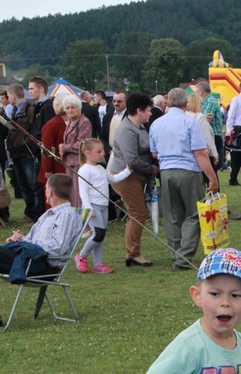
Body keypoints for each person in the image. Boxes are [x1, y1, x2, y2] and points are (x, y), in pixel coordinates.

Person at [0, 173, 82, 328]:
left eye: (45, 188)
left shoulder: (66, 216)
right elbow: (33, 240)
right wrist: (21, 239)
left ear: (50, 192)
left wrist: (28, 245)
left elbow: (57, 249)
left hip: (39, 265)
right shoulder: (48, 215)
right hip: (29, 258)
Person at [150, 88, 220, 270]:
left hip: (165, 172)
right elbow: (200, 154)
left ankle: (175, 253)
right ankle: (184, 257)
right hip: (188, 171)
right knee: (193, 214)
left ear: (167, 103)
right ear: (186, 103)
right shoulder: (191, 123)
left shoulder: (156, 124)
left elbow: (154, 153)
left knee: (173, 215)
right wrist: (212, 178)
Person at [108, 93, 157, 268]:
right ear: (139, 110)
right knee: (138, 213)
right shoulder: (127, 130)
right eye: (148, 110)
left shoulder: (140, 127)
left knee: (136, 212)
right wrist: (152, 169)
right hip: (126, 178)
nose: (150, 114)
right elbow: (132, 160)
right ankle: (133, 253)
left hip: (136, 177)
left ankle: (133, 252)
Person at [75, 139, 132, 274]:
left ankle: (98, 264)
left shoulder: (100, 168)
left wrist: (128, 171)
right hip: (93, 207)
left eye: (102, 151)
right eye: (99, 152)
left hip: (103, 206)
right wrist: (89, 208)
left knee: (100, 236)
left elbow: (113, 179)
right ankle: (81, 256)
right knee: (98, 234)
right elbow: (83, 191)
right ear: (88, 153)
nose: (103, 154)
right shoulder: (84, 170)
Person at [5, 83, 41, 222]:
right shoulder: (13, 110)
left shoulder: (30, 109)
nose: (8, 99)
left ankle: (36, 213)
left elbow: (32, 128)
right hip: (16, 151)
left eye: (8, 96)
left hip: (26, 151)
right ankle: (29, 212)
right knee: (23, 185)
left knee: (32, 184)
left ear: (13, 96)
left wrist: (26, 142)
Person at [59, 94, 92, 208]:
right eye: (67, 108)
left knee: (79, 193)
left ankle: (81, 219)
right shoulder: (70, 122)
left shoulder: (84, 122)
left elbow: (83, 144)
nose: (70, 110)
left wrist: (65, 147)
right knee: (72, 193)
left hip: (79, 163)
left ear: (79, 108)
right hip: (69, 163)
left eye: (73, 107)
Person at [39, 96, 68, 198]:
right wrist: (48, 169)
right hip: (55, 167)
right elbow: (46, 148)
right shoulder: (52, 124)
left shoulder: (69, 122)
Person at [185, 94, 219, 167]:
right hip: (200, 151)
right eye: (201, 103)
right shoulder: (200, 117)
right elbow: (207, 137)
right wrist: (215, 154)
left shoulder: (184, 115)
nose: (202, 105)